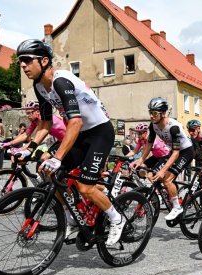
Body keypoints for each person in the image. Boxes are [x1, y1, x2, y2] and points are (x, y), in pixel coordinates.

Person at [15, 39, 122, 246]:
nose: (22, 65)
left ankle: (116, 219)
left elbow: (75, 120)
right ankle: (72, 216)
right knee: (47, 171)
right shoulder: (39, 86)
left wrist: (57, 157)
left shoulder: (60, 82)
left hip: (100, 133)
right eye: (20, 61)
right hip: (80, 134)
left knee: (85, 187)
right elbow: (45, 124)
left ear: (44, 61)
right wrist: (29, 148)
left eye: (27, 60)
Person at [131, 97, 194, 221]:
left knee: (167, 179)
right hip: (173, 151)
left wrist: (163, 170)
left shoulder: (173, 128)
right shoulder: (153, 125)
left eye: (155, 113)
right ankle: (169, 194)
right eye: (150, 112)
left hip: (185, 152)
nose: (151, 116)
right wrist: (141, 160)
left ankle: (177, 207)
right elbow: (149, 144)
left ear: (163, 113)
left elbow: (176, 153)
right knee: (153, 173)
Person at [0, 100, 66, 160]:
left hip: (68, 140)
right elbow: (25, 135)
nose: (27, 115)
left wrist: (21, 149)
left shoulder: (46, 121)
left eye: (29, 113)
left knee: (44, 158)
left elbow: (38, 139)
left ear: (37, 111)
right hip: (61, 141)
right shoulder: (35, 121)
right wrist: (8, 143)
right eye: (26, 113)